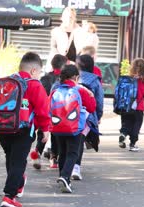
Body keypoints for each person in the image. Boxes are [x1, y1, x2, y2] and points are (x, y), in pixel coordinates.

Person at [0, 52, 50, 207]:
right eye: (39, 73)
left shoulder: (5, 83)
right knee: (18, 162)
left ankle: (17, 185)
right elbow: (43, 110)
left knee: (11, 159)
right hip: (23, 130)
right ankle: (9, 196)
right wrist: (45, 129)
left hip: (3, 128)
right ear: (34, 71)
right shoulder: (35, 85)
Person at [49, 65, 96, 193]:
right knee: (73, 153)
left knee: (62, 151)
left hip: (58, 127)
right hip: (75, 128)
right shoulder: (79, 90)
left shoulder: (55, 91)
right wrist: (90, 95)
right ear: (76, 77)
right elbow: (91, 108)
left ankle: (63, 178)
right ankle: (65, 177)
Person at [30, 54, 68, 170]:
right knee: (56, 136)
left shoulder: (44, 78)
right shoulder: (63, 79)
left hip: (44, 110)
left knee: (42, 134)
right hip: (58, 111)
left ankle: (37, 154)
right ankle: (54, 158)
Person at [72, 54, 104, 180]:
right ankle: (76, 167)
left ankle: (63, 165)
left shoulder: (72, 78)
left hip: (68, 113)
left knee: (68, 140)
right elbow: (99, 101)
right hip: (86, 116)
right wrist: (98, 116)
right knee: (79, 140)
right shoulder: (95, 80)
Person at [119, 58, 144, 152]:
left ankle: (123, 134)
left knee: (126, 124)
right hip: (138, 108)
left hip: (126, 107)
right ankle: (132, 144)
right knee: (136, 126)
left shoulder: (127, 79)